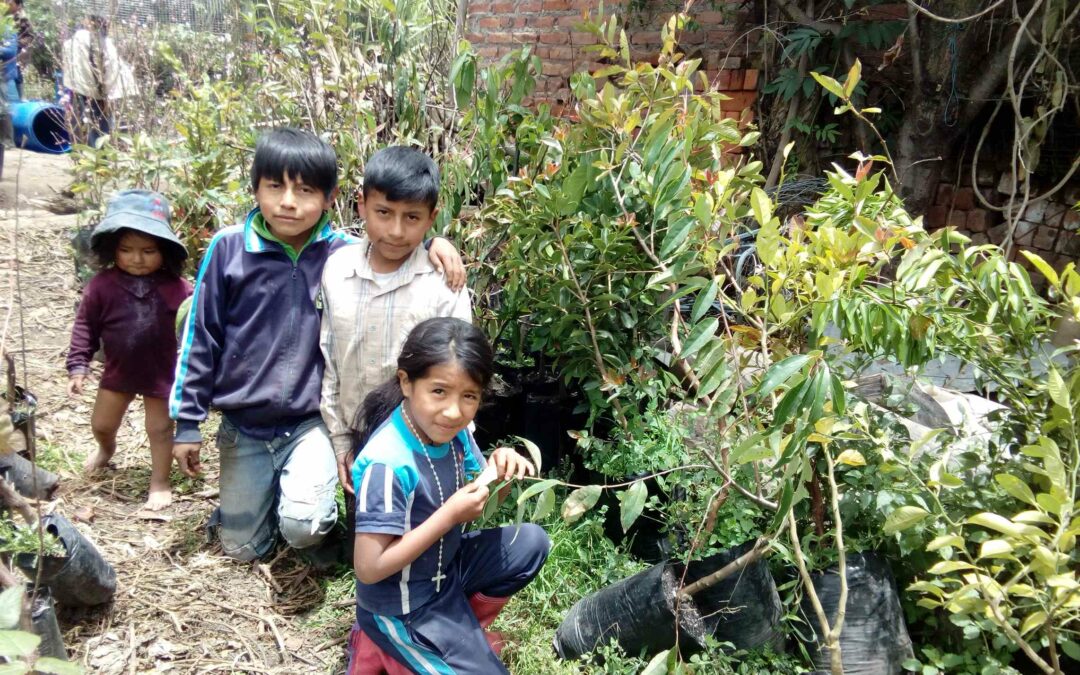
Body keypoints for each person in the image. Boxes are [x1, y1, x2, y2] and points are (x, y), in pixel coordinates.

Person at [169, 128, 463, 563]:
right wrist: (188, 421)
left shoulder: (339, 253)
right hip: (243, 421)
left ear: (332, 198)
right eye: (275, 186)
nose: (289, 202)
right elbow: (200, 335)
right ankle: (248, 510)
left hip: (310, 423)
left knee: (304, 526)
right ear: (255, 188)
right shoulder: (231, 248)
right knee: (243, 549)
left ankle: (308, 518)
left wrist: (437, 244)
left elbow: (392, 240)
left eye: (305, 190)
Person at [348, 317, 550, 674]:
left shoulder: (450, 433)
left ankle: (461, 633)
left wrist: (498, 470)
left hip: (444, 572)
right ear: (406, 382)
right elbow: (368, 568)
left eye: (468, 396)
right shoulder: (388, 464)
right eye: (438, 391)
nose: (454, 411)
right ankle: (390, 638)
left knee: (531, 543)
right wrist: (449, 516)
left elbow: (480, 500)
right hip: (403, 604)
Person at [320, 146, 471, 504]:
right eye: (383, 213)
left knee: (428, 537)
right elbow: (331, 362)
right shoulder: (337, 270)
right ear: (361, 204)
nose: (396, 230)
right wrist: (341, 441)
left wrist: (457, 446)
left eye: (412, 218)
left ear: (432, 217)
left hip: (426, 440)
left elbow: (461, 373)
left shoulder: (442, 282)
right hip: (358, 433)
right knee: (370, 540)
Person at [66, 189, 193, 511]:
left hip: (162, 374)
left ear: (164, 251)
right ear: (113, 249)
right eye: (127, 250)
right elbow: (85, 327)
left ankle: (160, 482)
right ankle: (106, 450)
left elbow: (195, 327)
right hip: (118, 372)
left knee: (161, 429)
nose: (137, 259)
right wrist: (78, 365)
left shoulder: (179, 290)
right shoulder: (101, 286)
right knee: (102, 424)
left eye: (148, 251)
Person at [60, 14, 137, 146]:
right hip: (96, 90)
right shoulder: (101, 42)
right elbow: (107, 69)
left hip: (80, 89)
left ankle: (87, 158)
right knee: (101, 129)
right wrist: (106, 95)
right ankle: (101, 158)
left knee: (82, 127)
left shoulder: (75, 40)